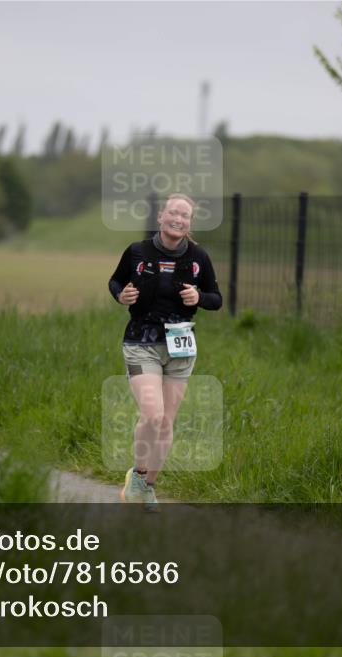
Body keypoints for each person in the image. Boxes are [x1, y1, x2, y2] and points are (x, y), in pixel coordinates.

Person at [107, 193, 222, 512]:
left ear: (190, 223)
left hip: (180, 348)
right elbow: (115, 281)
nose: (178, 219)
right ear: (160, 216)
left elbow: (216, 299)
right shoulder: (137, 252)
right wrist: (121, 295)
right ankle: (138, 476)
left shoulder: (198, 257)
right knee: (153, 415)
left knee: (166, 423)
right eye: (173, 213)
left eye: (185, 216)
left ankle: (146, 487)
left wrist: (198, 297)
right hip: (140, 343)